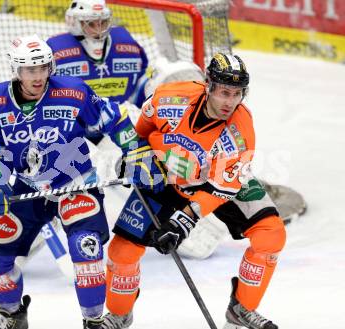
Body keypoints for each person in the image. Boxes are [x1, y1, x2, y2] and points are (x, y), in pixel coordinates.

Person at [0, 34, 165, 329]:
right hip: (28, 188)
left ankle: (94, 322)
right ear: (16, 69)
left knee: (85, 247)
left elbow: (114, 118)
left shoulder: (73, 92)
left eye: (43, 68)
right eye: (30, 70)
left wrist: (137, 152)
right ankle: (12, 315)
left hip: (75, 182)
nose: (38, 77)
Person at [101, 53, 286, 329]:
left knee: (271, 234)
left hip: (217, 184)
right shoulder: (169, 98)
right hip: (167, 176)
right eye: (224, 92)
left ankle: (242, 310)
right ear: (209, 84)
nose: (230, 102)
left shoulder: (241, 129)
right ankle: (118, 314)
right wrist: (135, 156)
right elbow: (142, 130)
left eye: (237, 94)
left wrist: (184, 219)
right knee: (122, 251)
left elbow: (222, 188)